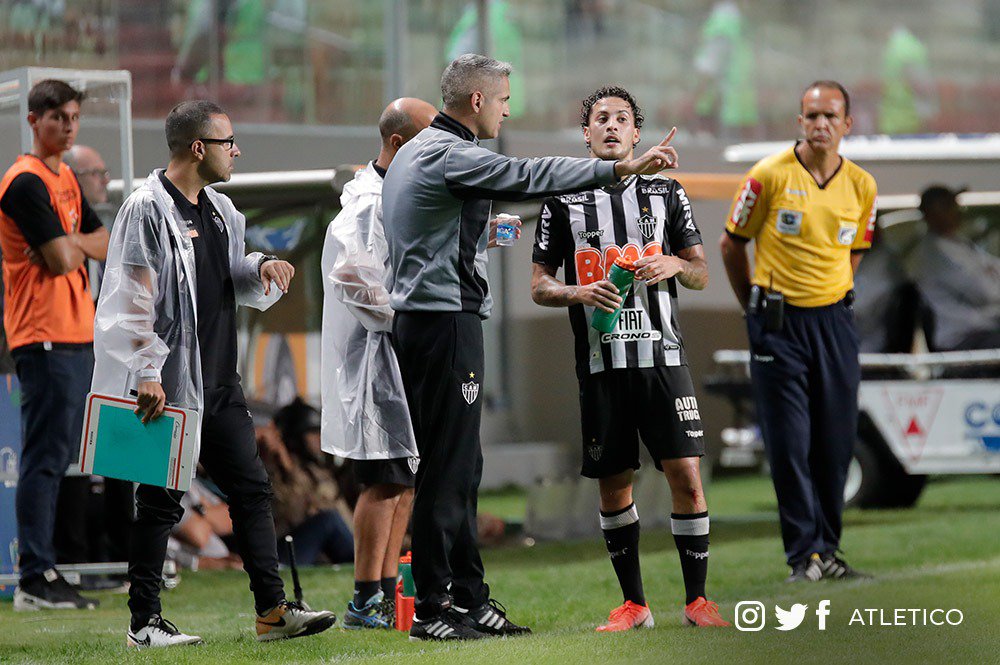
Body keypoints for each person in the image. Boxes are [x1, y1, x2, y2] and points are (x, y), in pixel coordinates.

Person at [382, 53, 680, 641]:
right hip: (443, 324)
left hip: (434, 321)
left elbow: (448, 224)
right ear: (477, 102)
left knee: (464, 466)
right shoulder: (451, 152)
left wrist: (481, 235)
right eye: (504, 101)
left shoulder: (421, 152)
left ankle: (469, 599)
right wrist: (615, 170)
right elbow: (526, 175)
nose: (507, 110)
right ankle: (435, 610)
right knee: (447, 468)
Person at [90, 100, 335, 648]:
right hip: (167, 386)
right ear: (199, 147)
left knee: (253, 492)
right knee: (159, 500)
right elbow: (131, 299)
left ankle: (271, 611)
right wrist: (146, 370)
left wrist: (260, 267)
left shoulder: (222, 210)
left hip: (220, 383)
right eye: (229, 142)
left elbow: (226, 277)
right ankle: (143, 623)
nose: (237, 151)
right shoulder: (145, 209)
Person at [530, 86, 729, 631]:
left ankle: (697, 601)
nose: (612, 126)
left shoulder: (667, 192)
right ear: (586, 134)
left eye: (622, 119)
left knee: (686, 473)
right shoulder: (563, 199)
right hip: (601, 365)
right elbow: (539, 286)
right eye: (601, 119)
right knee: (615, 483)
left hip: (664, 359)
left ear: (636, 133)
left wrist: (670, 262)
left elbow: (701, 272)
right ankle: (634, 605)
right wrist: (580, 293)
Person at [719, 81, 877, 582]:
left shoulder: (863, 186)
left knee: (835, 442)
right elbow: (730, 244)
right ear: (799, 121)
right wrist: (753, 308)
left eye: (830, 116)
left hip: (834, 323)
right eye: (812, 116)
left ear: (847, 124)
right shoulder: (768, 175)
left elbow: (856, 249)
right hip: (778, 325)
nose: (821, 125)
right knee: (789, 444)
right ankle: (802, 555)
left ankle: (828, 551)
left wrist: (835, 288)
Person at [320, 97, 437, 630]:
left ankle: (384, 594)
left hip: (403, 358)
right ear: (397, 143)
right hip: (375, 363)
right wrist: (407, 318)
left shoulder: (403, 193)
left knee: (406, 481)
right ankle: (363, 599)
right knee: (383, 481)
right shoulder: (366, 203)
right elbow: (353, 280)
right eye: (429, 138)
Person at [0, 79, 109, 611]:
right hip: (41, 336)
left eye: (73, 117)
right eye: (57, 117)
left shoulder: (65, 175)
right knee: (44, 460)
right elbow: (66, 260)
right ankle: (33, 577)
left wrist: (71, 244)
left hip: (74, 334)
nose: (67, 126)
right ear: (33, 120)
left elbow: (100, 242)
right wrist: (72, 247)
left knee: (62, 460)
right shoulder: (23, 182)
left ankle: (47, 569)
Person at [910, 185, 1000, 351]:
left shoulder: (956, 242)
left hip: (984, 328)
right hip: (962, 337)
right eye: (947, 206)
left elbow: (994, 266)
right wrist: (989, 274)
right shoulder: (936, 252)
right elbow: (986, 292)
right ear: (930, 215)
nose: (956, 210)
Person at [268, 397, 354, 567]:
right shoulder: (274, 470)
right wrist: (289, 469)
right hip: (283, 549)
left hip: (316, 551)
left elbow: (344, 517)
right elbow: (291, 513)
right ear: (296, 436)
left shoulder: (317, 470)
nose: (318, 439)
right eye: (312, 433)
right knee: (328, 520)